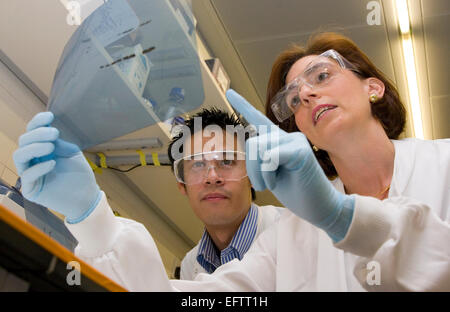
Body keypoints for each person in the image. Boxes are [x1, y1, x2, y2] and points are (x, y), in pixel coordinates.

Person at [13, 32, 449, 291]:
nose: (308, 94)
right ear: (302, 133)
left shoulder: (445, 163)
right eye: (294, 99)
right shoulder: (290, 237)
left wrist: (342, 219)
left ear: (373, 87)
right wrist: (92, 215)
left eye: (321, 76)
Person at [167, 108, 283, 280]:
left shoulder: (291, 231)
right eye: (198, 165)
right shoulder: (190, 267)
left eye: (227, 161)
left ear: (253, 174)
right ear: (182, 185)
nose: (212, 177)